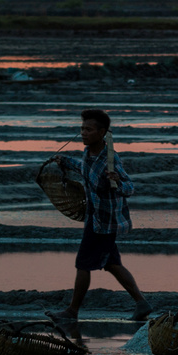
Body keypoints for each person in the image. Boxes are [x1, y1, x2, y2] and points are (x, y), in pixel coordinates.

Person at [46, 109, 150, 339]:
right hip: (95, 217)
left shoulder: (109, 159)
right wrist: (64, 160)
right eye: (82, 129)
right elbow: (85, 171)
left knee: (83, 264)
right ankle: (142, 303)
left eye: (88, 129)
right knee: (112, 263)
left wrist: (117, 182)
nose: (83, 133)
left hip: (104, 222)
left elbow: (129, 187)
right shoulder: (89, 153)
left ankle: (72, 311)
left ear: (102, 132)